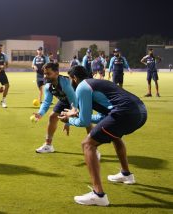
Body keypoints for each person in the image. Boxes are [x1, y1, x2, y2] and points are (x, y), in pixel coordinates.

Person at [59, 65, 147, 206]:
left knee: (87, 144)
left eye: (70, 79)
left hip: (125, 113)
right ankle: (126, 175)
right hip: (140, 112)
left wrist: (69, 119)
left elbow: (84, 121)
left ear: (74, 79)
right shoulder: (96, 83)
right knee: (114, 134)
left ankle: (98, 194)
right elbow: (102, 117)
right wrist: (76, 114)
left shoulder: (82, 87)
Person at [32, 62, 77, 153]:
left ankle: (93, 149)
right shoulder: (48, 86)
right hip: (64, 101)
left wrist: (68, 121)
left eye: (48, 74)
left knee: (86, 121)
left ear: (56, 73)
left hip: (78, 101)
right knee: (52, 117)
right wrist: (40, 113)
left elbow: (74, 102)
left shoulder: (65, 84)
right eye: (44, 73)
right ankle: (48, 145)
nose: (45, 76)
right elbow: (47, 102)